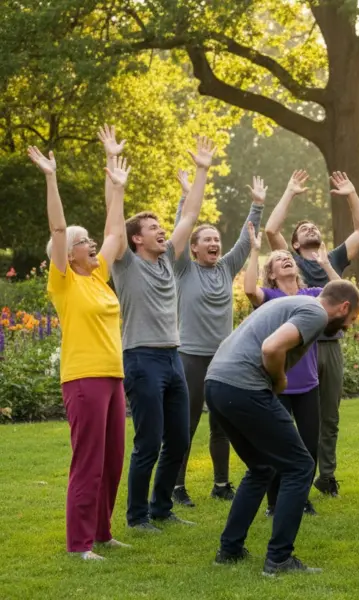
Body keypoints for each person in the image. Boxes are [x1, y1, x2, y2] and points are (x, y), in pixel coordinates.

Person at [204, 281, 359, 575]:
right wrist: (279, 379)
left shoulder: (290, 304)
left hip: (216, 384)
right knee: (300, 465)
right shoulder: (315, 313)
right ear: (343, 308)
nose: (346, 329)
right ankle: (279, 559)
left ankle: (230, 550)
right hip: (243, 386)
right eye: (349, 322)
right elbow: (271, 346)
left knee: (262, 467)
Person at [31, 129, 131, 560]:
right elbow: (57, 225)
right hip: (84, 380)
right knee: (88, 462)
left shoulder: (101, 277)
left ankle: (103, 533)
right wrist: (52, 178)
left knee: (112, 462)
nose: (93, 244)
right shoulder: (65, 282)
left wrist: (116, 182)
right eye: (84, 241)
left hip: (112, 377)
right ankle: (79, 544)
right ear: (70, 252)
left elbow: (115, 230)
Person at [113, 136, 216, 531]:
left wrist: (203, 170)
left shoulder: (168, 262)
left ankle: (160, 508)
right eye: (152, 228)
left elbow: (189, 217)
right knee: (148, 442)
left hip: (173, 357)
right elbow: (114, 228)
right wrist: (118, 189)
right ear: (136, 238)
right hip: (141, 359)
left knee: (180, 440)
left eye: (161, 227)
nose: (161, 232)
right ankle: (137, 516)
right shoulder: (125, 263)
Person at [265, 170, 359, 497]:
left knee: (330, 417)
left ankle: (326, 476)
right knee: (293, 418)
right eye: (303, 229)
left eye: (315, 227)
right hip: (299, 348)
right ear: (294, 244)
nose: (310, 228)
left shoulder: (335, 258)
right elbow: (271, 230)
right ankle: (290, 475)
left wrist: (352, 192)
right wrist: (290, 191)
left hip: (330, 347)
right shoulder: (291, 261)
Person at [170, 173, 265, 508]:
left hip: (223, 359)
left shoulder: (226, 268)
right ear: (193, 247)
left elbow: (244, 242)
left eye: (216, 239)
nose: (213, 243)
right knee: (186, 424)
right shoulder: (182, 269)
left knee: (222, 424)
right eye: (206, 239)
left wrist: (257, 205)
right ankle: (176, 487)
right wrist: (185, 198)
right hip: (191, 359)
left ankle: (221, 484)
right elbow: (179, 234)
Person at [244, 222, 338, 517]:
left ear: (296, 269)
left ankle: (300, 497)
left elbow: (340, 294)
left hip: (308, 384)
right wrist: (256, 249)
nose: (284, 259)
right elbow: (248, 289)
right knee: (277, 446)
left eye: (288, 258)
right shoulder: (270, 299)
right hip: (277, 383)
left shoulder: (312, 294)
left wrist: (326, 264)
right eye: (278, 260)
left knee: (308, 446)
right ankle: (274, 503)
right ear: (271, 273)